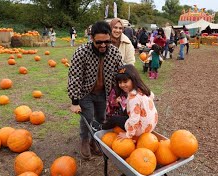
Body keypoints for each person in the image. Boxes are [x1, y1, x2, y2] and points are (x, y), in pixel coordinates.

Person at [68, 21, 123, 160]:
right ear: (92, 38)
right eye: (99, 42)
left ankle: (95, 140)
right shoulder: (81, 53)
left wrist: (120, 94)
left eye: (107, 41)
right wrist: (75, 101)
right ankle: (85, 140)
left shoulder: (114, 53)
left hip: (104, 92)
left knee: (101, 118)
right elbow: (75, 77)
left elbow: (120, 73)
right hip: (86, 92)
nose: (103, 45)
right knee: (88, 116)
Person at [100, 64, 158, 140]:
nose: (122, 85)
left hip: (140, 129)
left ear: (133, 79)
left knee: (114, 119)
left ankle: (100, 127)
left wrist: (128, 134)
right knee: (125, 112)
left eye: (125, 81)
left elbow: (134, 119)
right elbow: (151, 96)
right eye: (120, 82)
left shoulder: (134, 98)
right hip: (150, 124)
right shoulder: (142, 90)